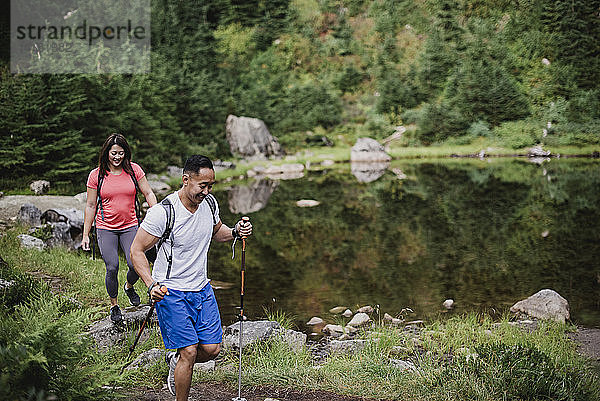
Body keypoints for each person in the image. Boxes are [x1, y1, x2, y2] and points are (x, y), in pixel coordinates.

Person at [130, 155, 252, 400]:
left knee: (212, 349)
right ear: (186, 180)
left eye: (211, 186)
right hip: (170, 291)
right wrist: (151, 284)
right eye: (202, 186)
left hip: (201, 288)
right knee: (189, 351)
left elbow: (218, 232)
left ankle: (175, 362)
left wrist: (236, 232)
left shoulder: (209, 204)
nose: (206, 191)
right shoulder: (163, 212)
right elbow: (136, 250)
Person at [81, 133, 157, 324]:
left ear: (126, 153)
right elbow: (90, 205)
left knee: (135, 264)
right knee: (112, 266)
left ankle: (129, 286)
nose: (117, 157)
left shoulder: (134, 170)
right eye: (114, 153)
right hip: (106, 227)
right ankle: (114, 305)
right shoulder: (96, 175)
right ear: (107, 152)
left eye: (121, 153)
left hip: (130, 225)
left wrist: (156, 213)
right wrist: (85, 234)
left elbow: (148, 192)